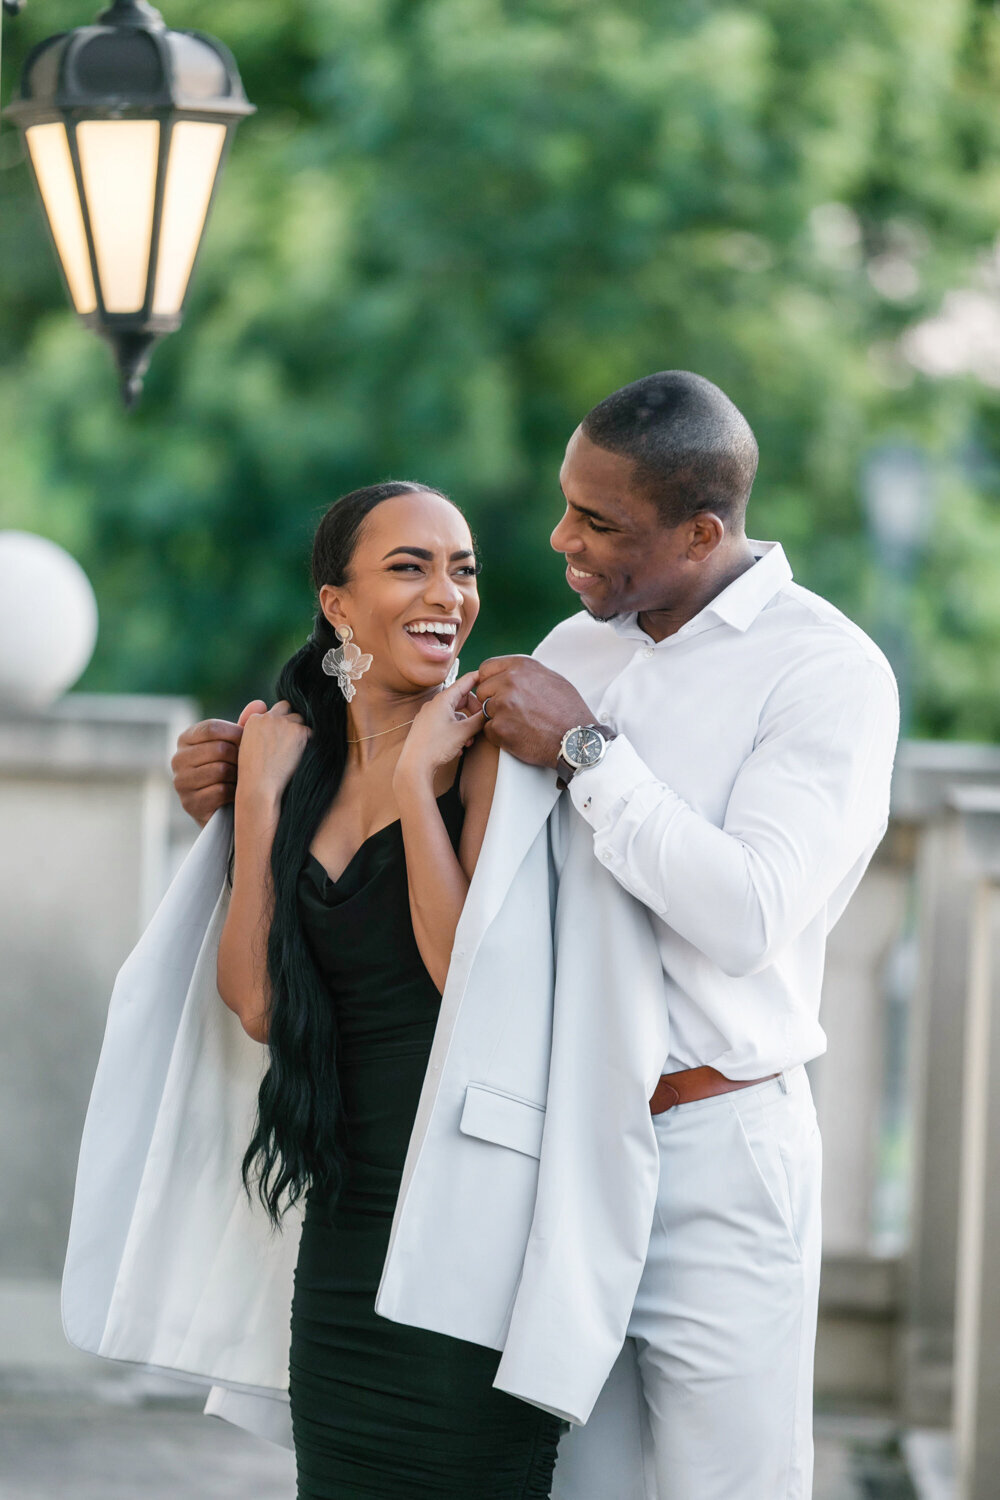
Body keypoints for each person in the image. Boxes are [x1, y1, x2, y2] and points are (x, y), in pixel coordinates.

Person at [172, 371, 900, 1499]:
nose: (561, 538)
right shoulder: (578, 641)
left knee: (731, 1487)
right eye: (567, 504)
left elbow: (750, 913)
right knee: (567, 1483)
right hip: (559, 1154)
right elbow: (402, 731)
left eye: (598, 523)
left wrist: (592, 754)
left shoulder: (826, 672)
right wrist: (250, 764)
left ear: (700, 532)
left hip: (717, 1145)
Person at [212, 477, 564, 1497]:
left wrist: (415, 783)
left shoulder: (489, 748)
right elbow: (260, 1005)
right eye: (409, 566)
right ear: (336, 603)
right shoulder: (302, 763)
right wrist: (259, 802)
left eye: (462, 569)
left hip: (469, 1218)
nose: (446, 594)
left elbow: (466, 978)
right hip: (347, 1221)